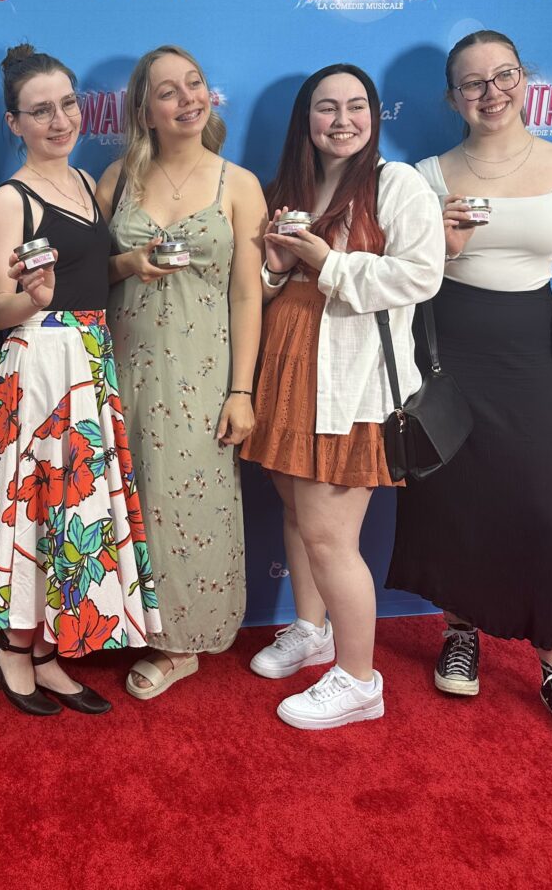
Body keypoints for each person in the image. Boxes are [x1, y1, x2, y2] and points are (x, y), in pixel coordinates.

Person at [387, 30, 552, 749]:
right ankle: (460, 631)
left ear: (525, 77)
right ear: (453, 97)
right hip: (448, 354)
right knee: (454, 499)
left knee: (546, 512)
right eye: (473, 83)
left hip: (529, 353)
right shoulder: (426, 174)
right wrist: (440, 247)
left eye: (503, 75)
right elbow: (410, 281)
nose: (492, 92)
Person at [239, 64, 443, 730]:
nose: (342, 119)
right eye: (327, 108)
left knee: (330, 537)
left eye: (357, 106)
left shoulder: (396, 182)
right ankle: (310, 627)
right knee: (297, 517)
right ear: (307, 120)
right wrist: (274, 264)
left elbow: (421, 274)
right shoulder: (292, 189)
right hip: (290, 370)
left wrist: (325, 261)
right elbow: (268, 290)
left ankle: (360, 679)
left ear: (375, 116)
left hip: (351, 388)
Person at [0, 43, 161, 717]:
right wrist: (36, 297)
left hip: (90, 359)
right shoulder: (8, 200)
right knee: (37, 509)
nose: (59, 120)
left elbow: (87, 274)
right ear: (13, 122)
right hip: (41, 366)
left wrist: (130, 262)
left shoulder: (84, 184)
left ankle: (46, 649)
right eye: (40, 110)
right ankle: (12, 647)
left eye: (68, 104)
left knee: (69, 514)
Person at [96, 45, 267, 701]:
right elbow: (93, 273)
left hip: (202, 374)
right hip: (123, 364)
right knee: (125, 499)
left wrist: (241, 391)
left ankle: (180, 642)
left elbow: (249, 294)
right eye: (169, 91)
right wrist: (126, 262)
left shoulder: (238, 184)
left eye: (195, 83)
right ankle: (122, 622)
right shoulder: (114, 181)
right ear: (146, 109)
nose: (188, 98)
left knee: (189, 502)